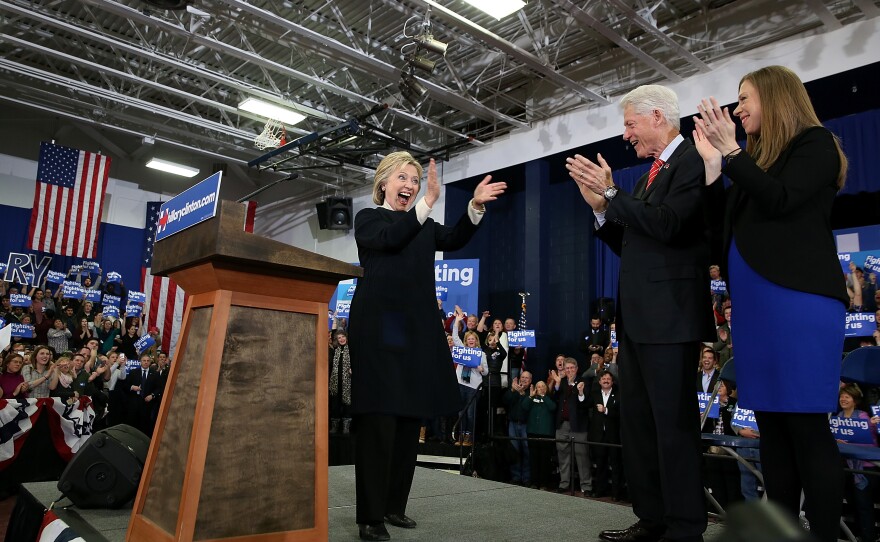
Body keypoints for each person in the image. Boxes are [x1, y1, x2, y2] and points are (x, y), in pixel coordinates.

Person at [693, 65, 849, 542]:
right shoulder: (753, 160)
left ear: (777, 98)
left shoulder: (815, 144)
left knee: (804, 427)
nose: (737, 109)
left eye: (744, 98)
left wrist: (734, 153)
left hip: (799, 303)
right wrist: (713, 171)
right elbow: (722, 233)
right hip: (756, 309)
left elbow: (780, 201)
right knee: (772, 433)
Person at [568, 84, 714, 542]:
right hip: (638, 322)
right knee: (639, 427)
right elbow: (635, 240)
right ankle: (651, 519)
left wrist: (612, 192)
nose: (626, 134)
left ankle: (686, 527)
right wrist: (601, 209)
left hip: (671, 320)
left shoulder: (690, 161)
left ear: (657, 116)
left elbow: (669, 226)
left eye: (630, 124)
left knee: (673, 429)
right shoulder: (652, 174)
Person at [347, 151, 506, 541]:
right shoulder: (369, 220)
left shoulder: (425, 224)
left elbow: (453, 237)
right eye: (403, 178)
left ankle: (393, 507)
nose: (410, 186)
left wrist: (473, 206)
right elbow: (391, 238)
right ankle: (370, 517)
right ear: (383, 183)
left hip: (416, 331)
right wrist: (428, 202)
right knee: (379, 420)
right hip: (378, 330)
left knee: (406, 420)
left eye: (415, 180)